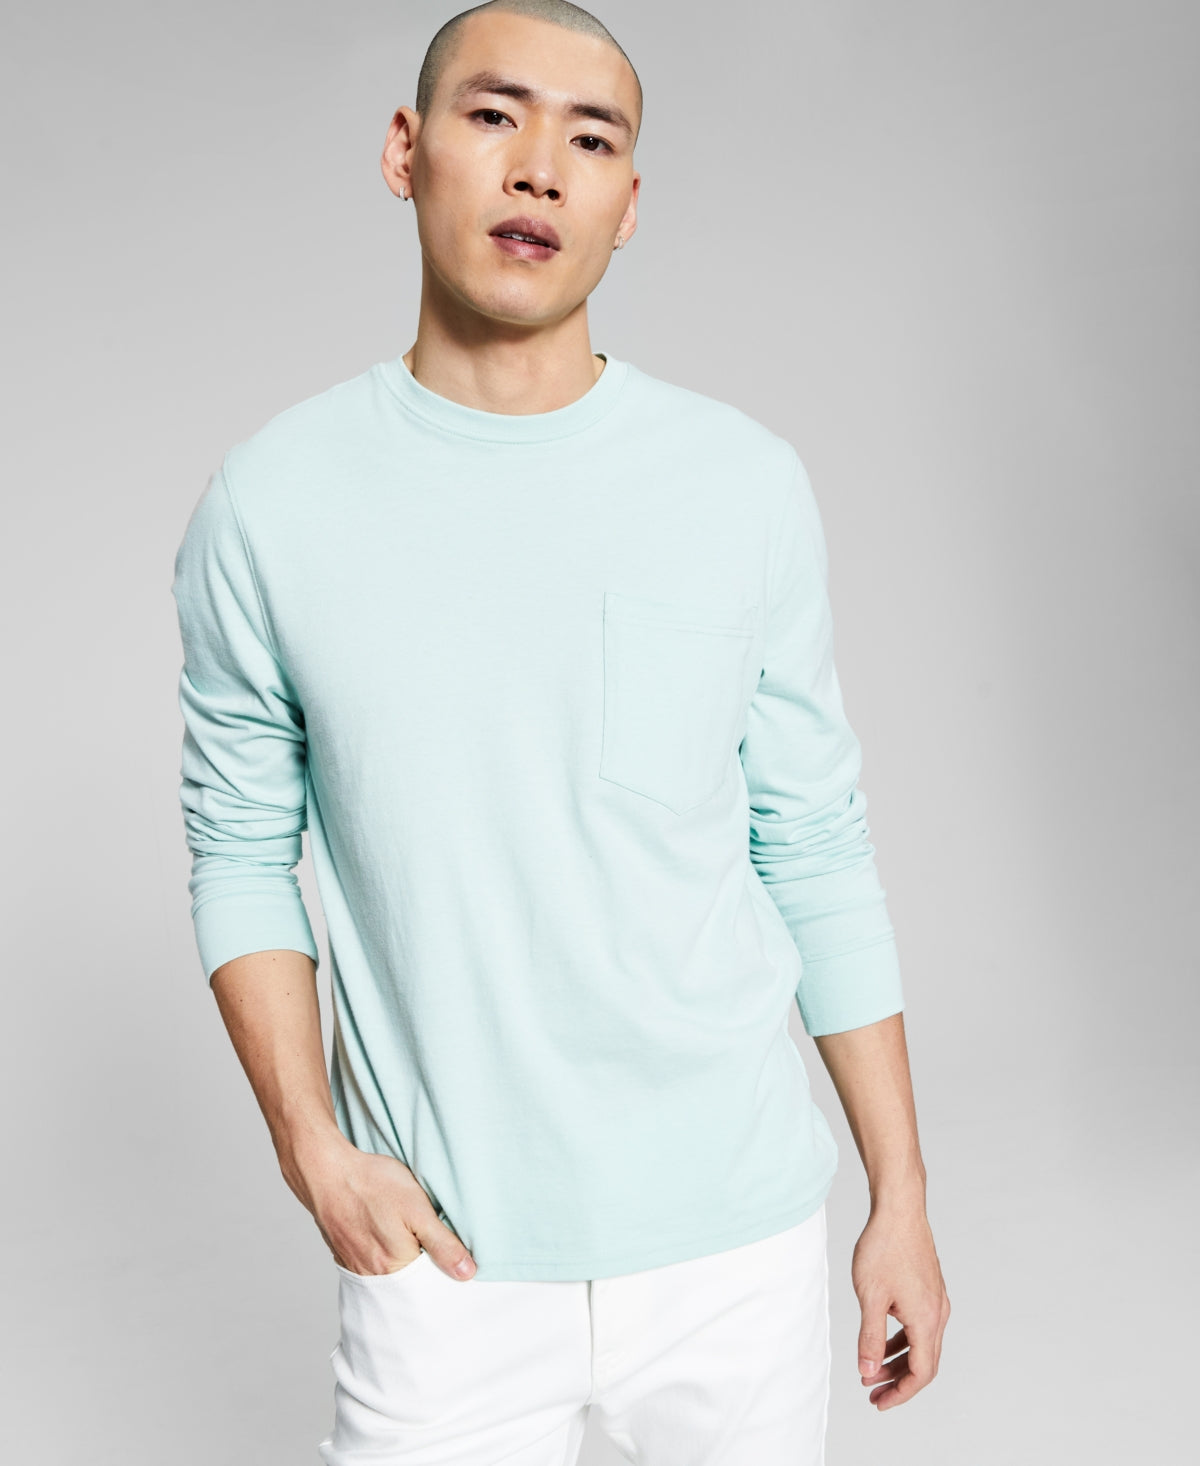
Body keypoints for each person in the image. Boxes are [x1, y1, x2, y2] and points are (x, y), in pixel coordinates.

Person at [170, 1, 950, 1460]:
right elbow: (240, 848)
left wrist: (898, 1195)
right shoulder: (269, 504)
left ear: (627, 204)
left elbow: (814, 844)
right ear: (404, 151)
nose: (539, 166)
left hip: (735, 1249)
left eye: (591, 140)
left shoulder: (742, 485)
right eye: (493, 115)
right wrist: (311, 1151)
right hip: (443, 1265)